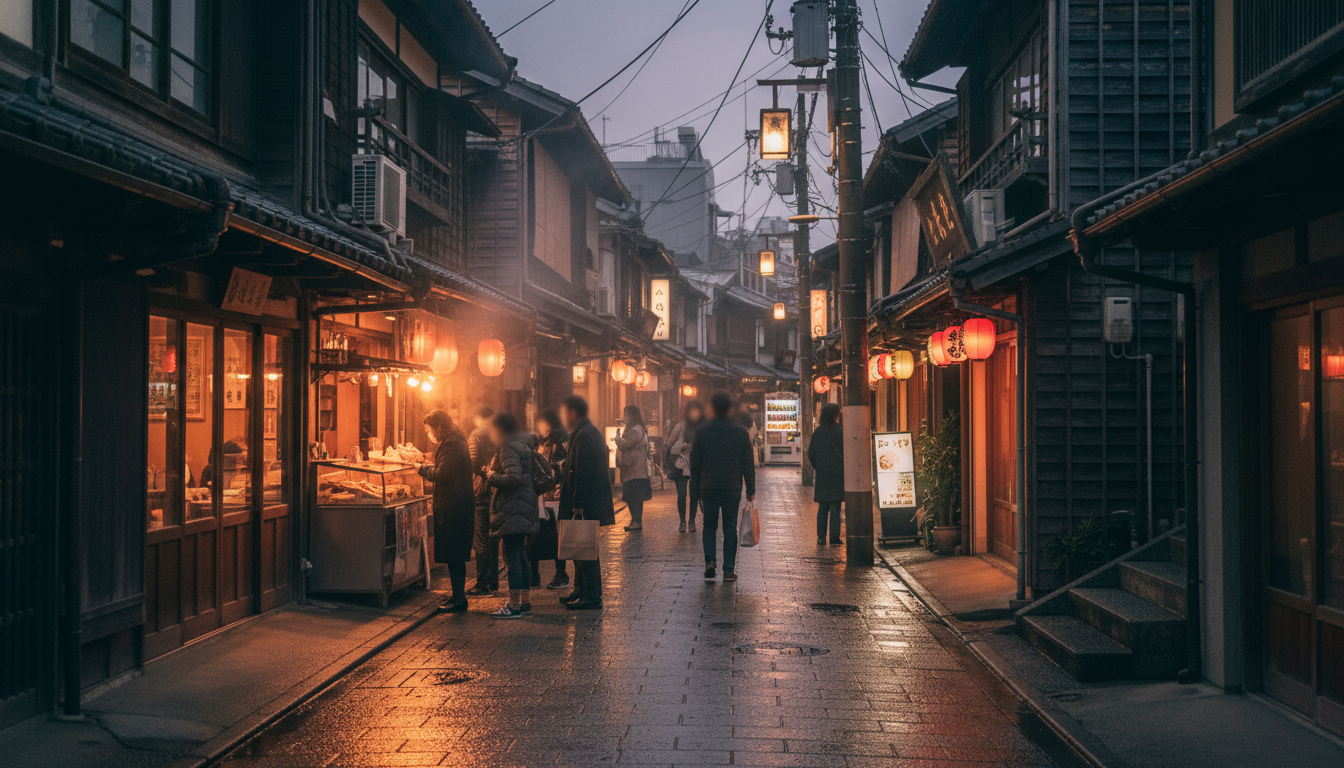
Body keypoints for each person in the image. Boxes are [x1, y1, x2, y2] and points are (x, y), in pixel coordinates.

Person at [557, 395, 615, 610]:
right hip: (590, 502)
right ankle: (580, 589)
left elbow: (582, 472)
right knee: (580, 549)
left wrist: (577, 503)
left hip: (587, 504)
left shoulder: (584, 435)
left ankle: (591, 594)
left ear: (574, 413)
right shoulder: (586, 432)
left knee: (586, 550)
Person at [690, 392, 756, 582]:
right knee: (730, 528)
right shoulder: (741, 432)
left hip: (708, 486)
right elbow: (748, 463)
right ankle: (728, 570)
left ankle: (710, 561)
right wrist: (750, 488)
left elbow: (695, 464)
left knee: (709, 526)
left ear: (711, 408)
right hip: (731, 486)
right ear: (729, 409)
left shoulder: (702, 431)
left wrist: (695, 490)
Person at [418, 410, 474, 612]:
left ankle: (459, 599)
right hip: (456, 506)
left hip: (455, 508)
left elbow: (443, 473)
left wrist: (424, 469)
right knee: (455, 555)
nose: (429, 433)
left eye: (430, 429)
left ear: (440, 427)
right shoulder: (454, 442)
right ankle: (457, 596)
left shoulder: (452, 444)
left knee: (454, 554)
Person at [485, 412, 539, 619]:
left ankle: (514, 606)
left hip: (512, 508)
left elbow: (513, 477)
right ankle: (524, 603)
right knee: (521, 556)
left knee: (512, 558)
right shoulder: (523, 444)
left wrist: (491, 475)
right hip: (523, 506)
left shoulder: (507, 446)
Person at [532, 410, 569, 590]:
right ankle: (535, 575)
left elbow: (561, 468)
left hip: (554, 495)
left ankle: (561, 574)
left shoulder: (560, 442)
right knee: (537, 534)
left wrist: (552, 478)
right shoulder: (542, 441)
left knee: (555, 534)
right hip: (542, 494)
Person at [466, 406, 499, 596]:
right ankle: (493, 580)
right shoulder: (499, 435)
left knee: (481, 540)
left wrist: (483, 475)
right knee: (493, 538)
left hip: (481, 491)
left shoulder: (476, 435)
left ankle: (483, 582)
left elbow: (473, 461)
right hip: (497, 491)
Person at [806, 403, 845, 546]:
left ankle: (821, 537)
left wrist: (819, 467)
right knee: (835, 506)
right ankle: (834, 537)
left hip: (823, 474)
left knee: (823, 507)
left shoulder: (818, 432)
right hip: (838, 473)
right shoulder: (841, 431)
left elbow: (811, 453)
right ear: (835, 415)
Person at [665, 400, 704, 533]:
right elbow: (669, 444)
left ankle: (691, 521)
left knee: (694, 495)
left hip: (696, 465)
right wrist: (682, 446)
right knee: (681, 494)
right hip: (680, 465)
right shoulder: (680, 426)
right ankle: (682, 521)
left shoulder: (702, 428)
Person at [613, 405, 651, 531]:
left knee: (634, 496)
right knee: (631, 496)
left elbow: (626, 444)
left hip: (636, 470)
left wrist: (617, 439)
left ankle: (636, 521)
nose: (624, 417)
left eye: (626, 415)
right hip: (631, 469)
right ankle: (635, 521)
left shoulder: (636, 430)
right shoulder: (634, 429)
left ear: (632, 416)